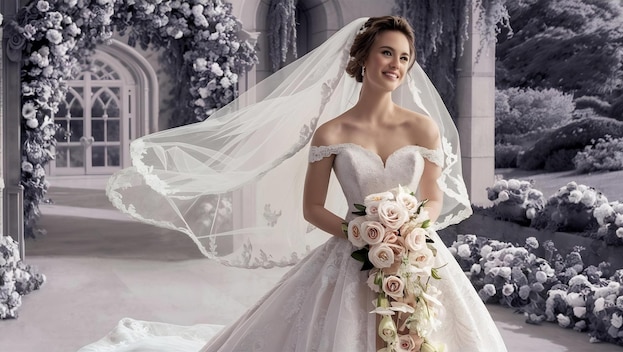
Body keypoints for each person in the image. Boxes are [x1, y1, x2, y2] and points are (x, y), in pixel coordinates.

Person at [80, 16, 508, 351]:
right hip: (353, 251)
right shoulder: (333, 132)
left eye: (403, 57)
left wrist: (413, 229)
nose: (395, 64)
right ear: (362, 58)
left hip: (416, 253)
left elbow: (432, 196)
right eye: (385, 53)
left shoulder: (423, 128)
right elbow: (314, 208)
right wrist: (356, 231)